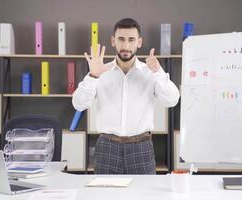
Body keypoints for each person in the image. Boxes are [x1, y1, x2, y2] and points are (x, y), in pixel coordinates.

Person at [72, 18, 179, 174]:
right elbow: (78, 104)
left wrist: (158, 72)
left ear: (139, 42)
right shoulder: (100, 71)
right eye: (121, 39)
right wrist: (93, 76)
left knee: (144, 196)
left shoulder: (150, 72)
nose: (126, 46)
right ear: (113, 41)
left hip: (141, 148)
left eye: (131, 40)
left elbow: (172, 100)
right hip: (107, 148)